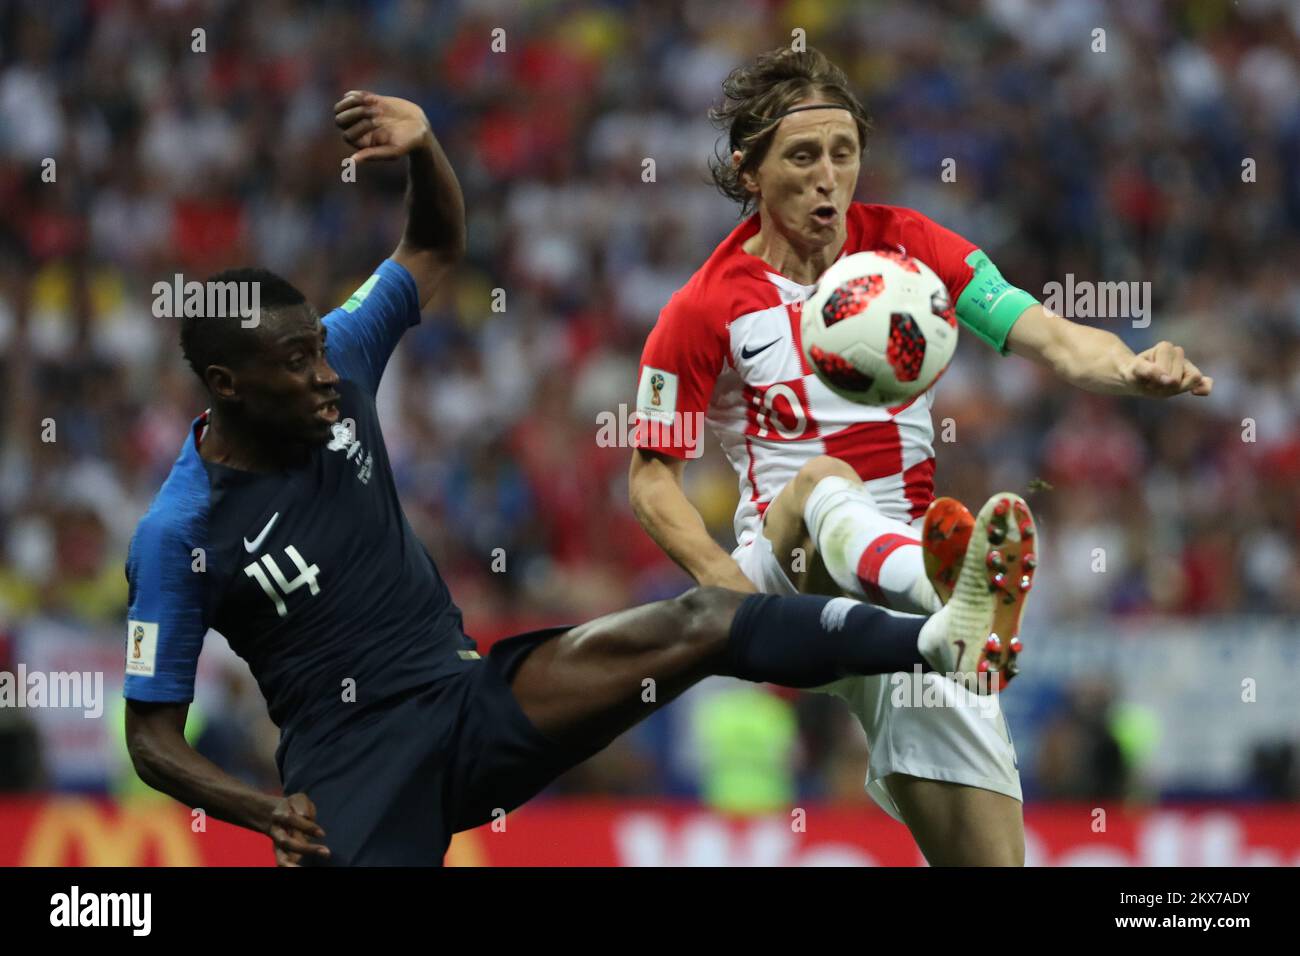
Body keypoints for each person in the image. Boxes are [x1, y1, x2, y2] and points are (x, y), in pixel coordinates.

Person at [122, 90, 1008, 866]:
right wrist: (263, 811)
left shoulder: (344, 358)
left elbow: (432, 245)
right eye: (295, 363)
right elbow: (151, 737)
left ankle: (936, 638)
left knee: (704, 619)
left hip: (471, 700)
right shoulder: (181, 532)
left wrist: (425, 146)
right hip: (354, 773)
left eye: (317, 347)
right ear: (228, 387)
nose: (324, 374)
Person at [628, 48, 1211, 866]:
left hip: (918, 613)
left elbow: (1045, 332)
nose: (829, 175)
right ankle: (949, 585)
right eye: (802, 156)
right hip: (787, 571)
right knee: (825, 482)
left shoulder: (909, 246)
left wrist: (1133, 365)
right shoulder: (701, 306)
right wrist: (730, 599)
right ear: (749, 171)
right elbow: (652, 478)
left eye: (843, 152)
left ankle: (950, 613)